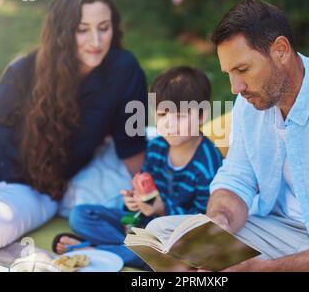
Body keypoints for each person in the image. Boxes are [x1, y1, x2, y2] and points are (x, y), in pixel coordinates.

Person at [146, 0, 309, 272]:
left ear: (280, 50)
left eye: (242, 70)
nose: (235, 87)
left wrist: (265, 269)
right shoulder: (249, 103)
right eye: (229, 73)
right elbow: (236, 178)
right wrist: (219, 222)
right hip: (278, 231)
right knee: (159, 233)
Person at [0, 0, 148, 250]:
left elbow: (132, 146)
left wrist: (152, 200)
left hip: (33, 187)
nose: (96, 41)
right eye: (82, 30)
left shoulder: (124, 71)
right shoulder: (23, 71)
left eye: (103, 28)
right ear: (62, 32)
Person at [53, 66, 223, 269]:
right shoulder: (157, 146)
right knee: (80, 215)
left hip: (172, 239)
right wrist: (131, 206)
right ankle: (116, 250)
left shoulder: (208, 162)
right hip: (141, 228)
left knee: (162, 256)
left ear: (202, 115)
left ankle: (92, 251)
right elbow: (143, 193)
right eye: (162, 115)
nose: (169, 124)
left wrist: (162, 208)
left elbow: (202, 222)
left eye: (179, 116)